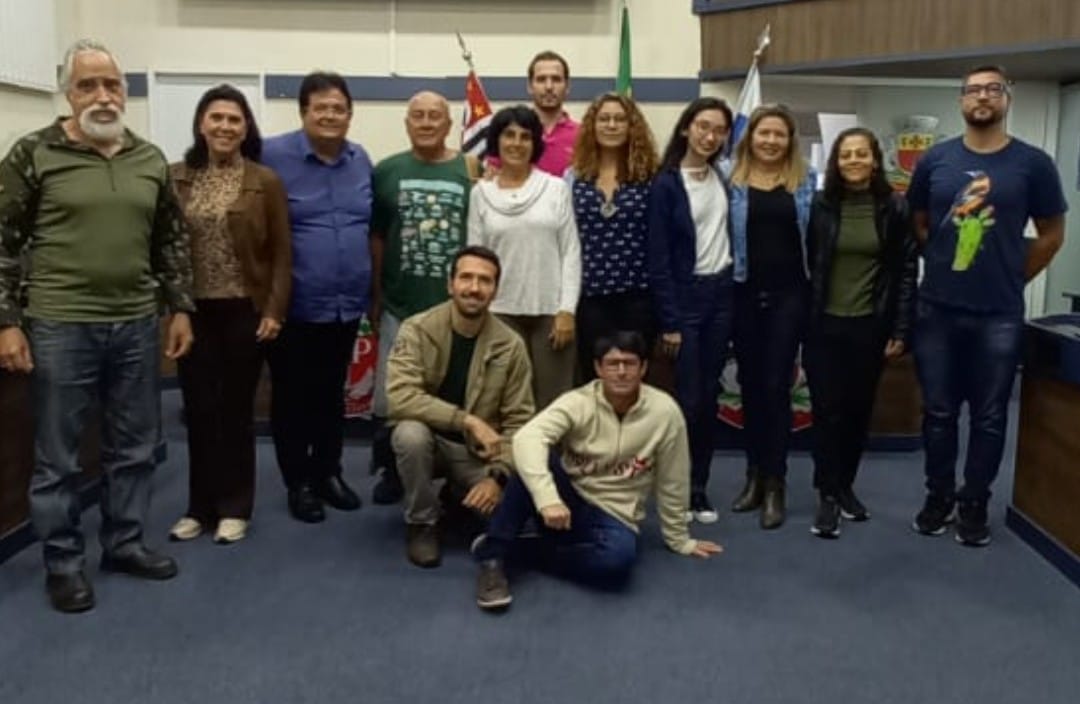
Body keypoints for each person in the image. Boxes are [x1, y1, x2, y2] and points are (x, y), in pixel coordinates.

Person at [0, 39, 194, 613]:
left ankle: (125, 543)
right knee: (57, 457)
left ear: (126, 94)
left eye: (112, 84)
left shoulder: (149, 158)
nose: (102, 95)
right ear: (68, 92)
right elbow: (2, 244)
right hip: (60, 324)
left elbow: (170, 241)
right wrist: (7, 322)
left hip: (135, 322)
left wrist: (179, 307)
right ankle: (62, 563)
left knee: (134, 446)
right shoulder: (33, 153)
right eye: (88, 85)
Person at [907, 65, 1066, 546]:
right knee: (938, 412)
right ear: (960, 101)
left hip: (998, 314)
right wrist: (946, 264)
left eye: (992, 90)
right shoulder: (935, 160)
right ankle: (939, 497)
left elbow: (1052, 236)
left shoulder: (1033, 164)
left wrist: (1009, 276)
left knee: (991, 415)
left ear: (1006, 99)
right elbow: (919, 224)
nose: (982, 97)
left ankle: (974, 501)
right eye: (973, 90)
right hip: (936, 310)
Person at [471, 331, 723, 611]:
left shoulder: (665, 412)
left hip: (614, 514)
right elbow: (526, 438)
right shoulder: (577, 402)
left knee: (616, 564)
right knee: (530, 461)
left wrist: (679, 539)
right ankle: (493, 559)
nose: (621, 372)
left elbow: (673, 478)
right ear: (598, 368)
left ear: (643, 368)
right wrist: (548, 499)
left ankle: (519, 551)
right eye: (613, 364)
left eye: (629, 364)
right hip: (564, 500)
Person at [167, 84, 292, 545]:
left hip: (246, 308)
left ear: (246, 128)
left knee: (236, 410)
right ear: (201, 123)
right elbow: (165, 247)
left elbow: (281, 253)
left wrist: (275, 309)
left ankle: (235, 507)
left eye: (234, 119)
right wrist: (172, 306)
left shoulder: (264, 180)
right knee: (198, 409)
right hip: (191, 312)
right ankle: (198, 507)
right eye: (216, 117)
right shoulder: (175, 177)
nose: (224, 126)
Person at [261, 72, 373, 524]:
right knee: (291, 396)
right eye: (320, 108)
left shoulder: (360, 159)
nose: (330, 115)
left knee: (331, 393)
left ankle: (329, 472)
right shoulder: (271, 155)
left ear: (350, 113)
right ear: (304, 112)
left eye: (338, 108)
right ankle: (299, 482)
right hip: (294, 302)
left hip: (346, 302)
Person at [386, 246, 534, 567]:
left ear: (495, 290)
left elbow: (520, 423)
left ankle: (455, 496)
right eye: (466, 278)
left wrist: (498, 478)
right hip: (430, 444)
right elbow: (400, 396)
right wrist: (467, 420)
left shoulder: (511, 345)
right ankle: (422, 522)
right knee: (409, 434)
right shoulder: (417, 328)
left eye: (485, 280)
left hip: (479, 455)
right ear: (450, 284)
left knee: (516, 523)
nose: (474, 288)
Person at [804, 127, 917, 539]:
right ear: (836, 162)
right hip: (823, 325)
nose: (853, 160)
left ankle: (845, 486)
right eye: (845, 154)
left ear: (874, 160)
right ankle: (827, 495)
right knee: (827, 411)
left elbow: (906, 272)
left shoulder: (894, 208)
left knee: (856, 413)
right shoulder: (819, 206)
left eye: (861, 153)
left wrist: (902, 327)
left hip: (870, 325)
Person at [368, 91, 478, 506]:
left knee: (453, 395)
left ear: (449, 124)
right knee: (392, 397)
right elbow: (376, 237)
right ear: (407, 122)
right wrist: (376, 295)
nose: (427, 122)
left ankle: (452, 476)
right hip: (400, 303)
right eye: (418, 116)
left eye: (436, 116)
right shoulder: (386, 171)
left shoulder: (469, 169)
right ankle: (393, 473)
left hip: (455, 308)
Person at [728, 104, 817, 530]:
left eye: (779, 134)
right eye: (764, 132)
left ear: (789, 140)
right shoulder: (731, 179)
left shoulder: (805, 182)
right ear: (751, 136)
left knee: (776, 387)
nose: (770, 140)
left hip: (789, 297)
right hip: (743, 293)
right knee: (748, 386)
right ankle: (753, 476)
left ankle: (776, 481)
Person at [648, 97, 736, 524]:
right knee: (688, 401)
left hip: (722, 296)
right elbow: (659, 259)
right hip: (686, 302)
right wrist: (670, 320)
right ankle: (676, 488)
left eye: (719, 129)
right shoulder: (666, 183)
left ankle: (699, 487)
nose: (710, 136)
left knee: (710, 396)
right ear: (686, 129)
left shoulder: (722, 176)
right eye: (703, 126)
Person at [467, 105, 580, 410]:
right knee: (504, 401)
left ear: (535, 144)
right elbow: (475, 259)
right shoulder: (480, 194)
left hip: (551, 314)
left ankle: (551, 460)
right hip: (499, 313)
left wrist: (567, 310)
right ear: (496, 141)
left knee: (553, 405)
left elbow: (571, 252)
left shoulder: (555, 189)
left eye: (525, 137)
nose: (516, 143)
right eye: (509, 135)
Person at [568, 93, 659, 382]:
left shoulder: (651, 178)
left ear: (632, 127)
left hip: (638, 297)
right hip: (590, 298)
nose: (611, 125)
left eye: (620, 119)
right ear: (592, 126)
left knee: (632, 376)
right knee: (593, 377)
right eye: (604, 119)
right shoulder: (573, 178)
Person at [527, 50, 579, 177]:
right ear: (529, 86)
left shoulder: (584, 135)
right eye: (541, 79)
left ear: (567, 87)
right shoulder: (512, 134)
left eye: (556, 79)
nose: (549, 86)